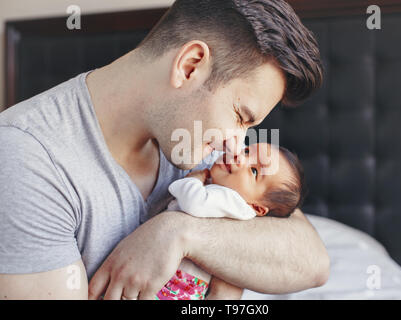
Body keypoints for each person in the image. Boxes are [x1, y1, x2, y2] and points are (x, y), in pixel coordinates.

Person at [0, 0, 329, 300]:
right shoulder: (28, 160)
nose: (237, 145)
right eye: (240, 116)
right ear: (190, 66)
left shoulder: (204, 149)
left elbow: (313, 261)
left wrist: (179, 232)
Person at [157, 143, 306, 300]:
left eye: (254, 170)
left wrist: (192, 181)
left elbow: (194, 202)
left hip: (175, 283)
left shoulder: (234, 201)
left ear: (256, 207)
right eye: (247, 151)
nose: (239, 157)